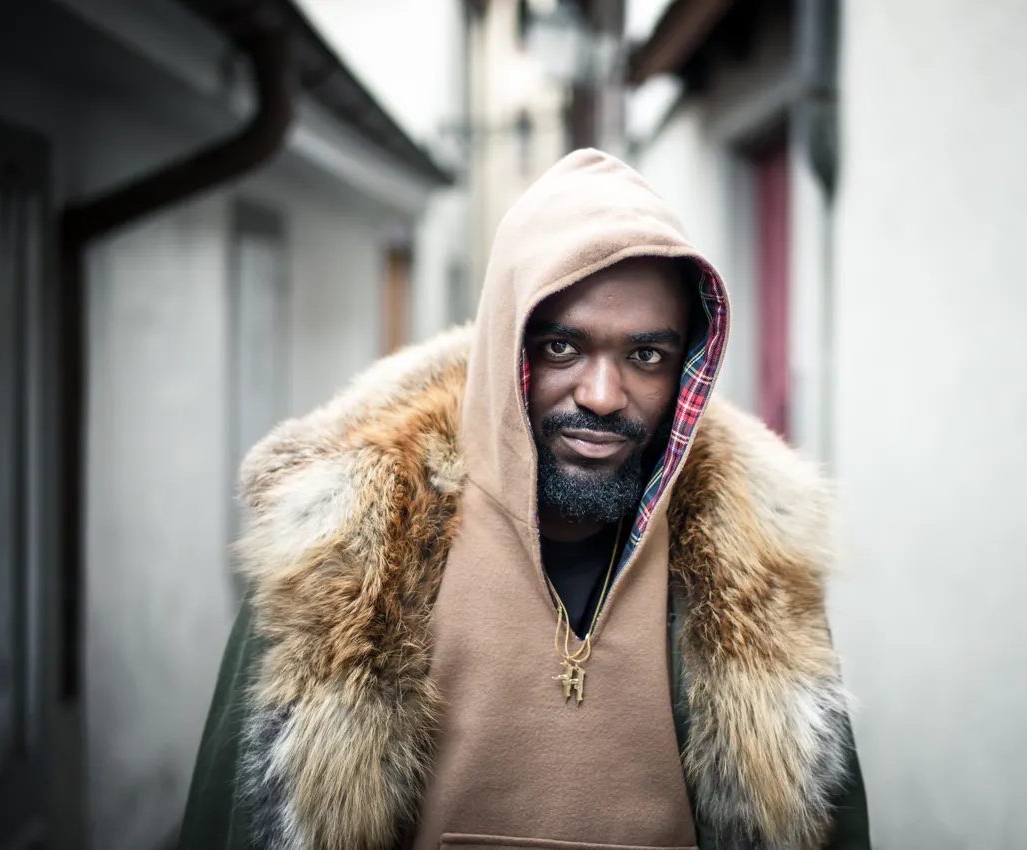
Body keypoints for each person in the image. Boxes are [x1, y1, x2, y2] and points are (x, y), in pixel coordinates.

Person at [178, 149, 870, 850]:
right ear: (508, 346)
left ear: (687, 363)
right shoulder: (345, 552)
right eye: (563, 347)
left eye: (646, 356)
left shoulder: (758, 563)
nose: (602, 396)